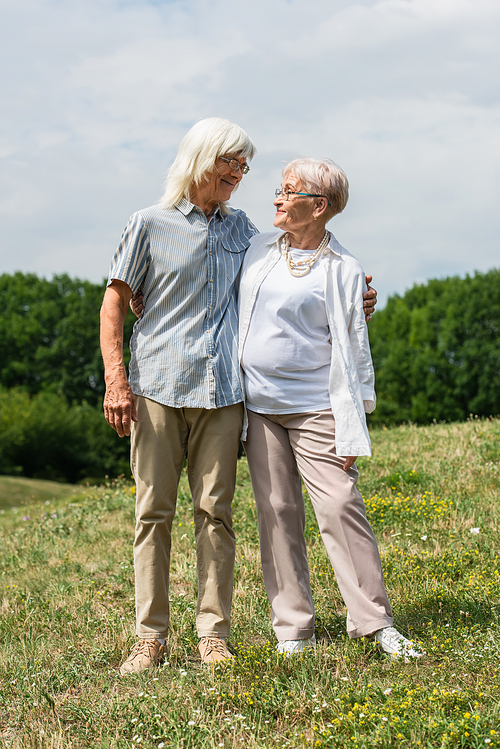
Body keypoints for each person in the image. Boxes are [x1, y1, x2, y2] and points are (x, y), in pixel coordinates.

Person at [100, 119, 378, 674]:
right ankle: (150, 637)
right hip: (157, 386)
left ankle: (213, 634)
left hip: (224, 393)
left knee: (215, 513)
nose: (239, 175)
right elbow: (115, 305)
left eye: (244, 166)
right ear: (201, 159)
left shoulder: (245, 231)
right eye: (232, 163)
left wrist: (358, 296)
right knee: (153, 512)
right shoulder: (148, 224)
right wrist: (116, 381)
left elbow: (307, 258)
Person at [238, 157, 424, 661]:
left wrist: (353, 424)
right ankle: (293, 630)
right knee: (276, 512)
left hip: (316, 405)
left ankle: (375, 622)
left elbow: (355, 351)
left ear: (318, 206)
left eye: (288, 191)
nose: (277, 197)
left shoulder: (343, 269)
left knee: (340, 505)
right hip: (259, 408)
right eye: (278, 188)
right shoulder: (255, 249)